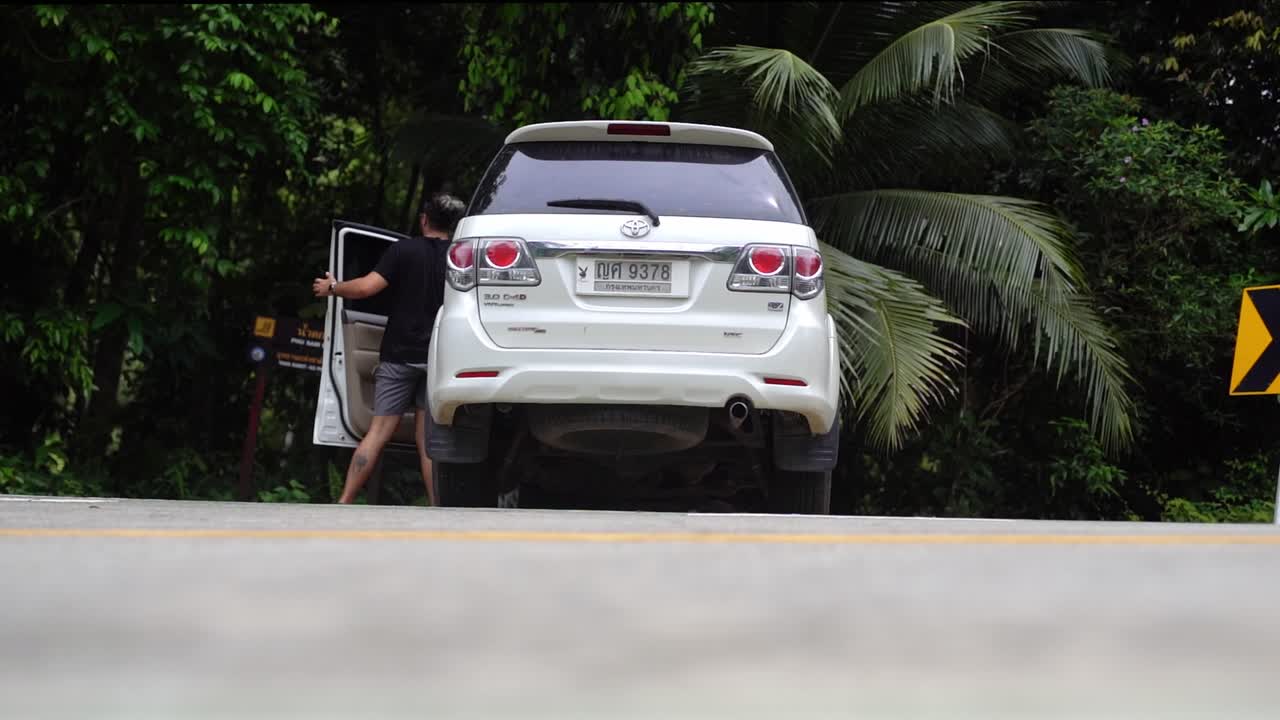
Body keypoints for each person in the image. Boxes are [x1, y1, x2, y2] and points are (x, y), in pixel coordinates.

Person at [312, 192, 467, 505]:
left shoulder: (403, 250)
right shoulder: (459, 256)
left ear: (424, 219)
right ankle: (438, 510)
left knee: (379, 431)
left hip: (399, 353)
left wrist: (332, 288)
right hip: (438, 357)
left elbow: (368, 288)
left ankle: (344, 502)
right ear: (454, 225)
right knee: (428, 442)